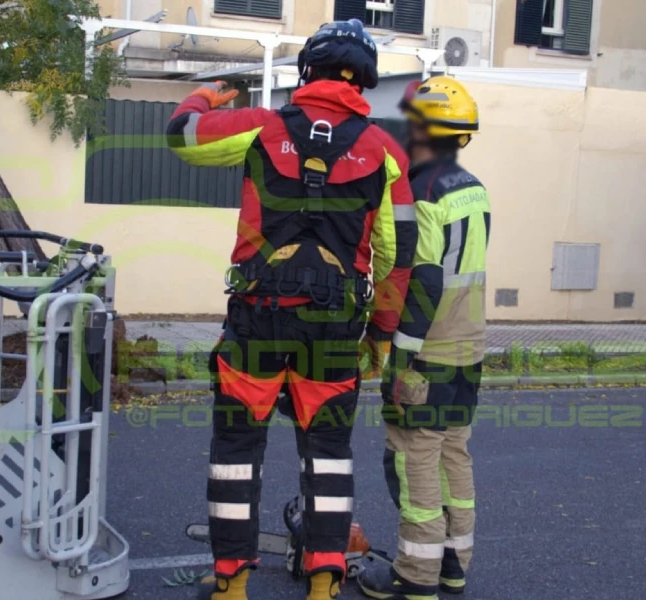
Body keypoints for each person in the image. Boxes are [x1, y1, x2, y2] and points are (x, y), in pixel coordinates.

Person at [165, 19, 417, 600]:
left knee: (236, 449)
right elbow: (399, 258)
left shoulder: (263, 126)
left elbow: (182, 135)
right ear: (365, 78)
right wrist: (381, 334)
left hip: (257, 316)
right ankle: (324, 582)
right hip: (333, 327)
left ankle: (231, 586)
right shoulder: (386, 152)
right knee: (327, 453)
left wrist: (207, 94)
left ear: (310, 70)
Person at [357, 76, 489, 600]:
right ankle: (454, 566)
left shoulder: (425, 189)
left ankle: (415, 575)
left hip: (427, 349)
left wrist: (401, 354)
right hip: (469, 346)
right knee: (455, 453)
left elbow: (426, 278)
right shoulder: (473, 187)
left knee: (415, 459)